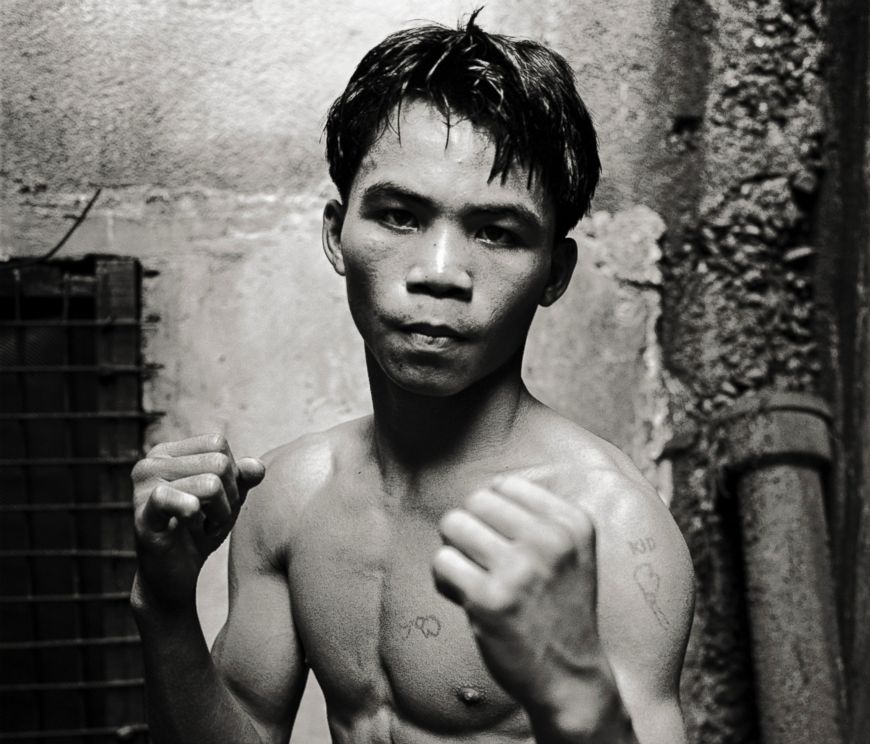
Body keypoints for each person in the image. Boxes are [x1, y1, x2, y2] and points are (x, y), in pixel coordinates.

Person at [130, 12, 694, 744]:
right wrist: (166, 610)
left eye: (497, 232)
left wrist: (569, 684)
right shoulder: (292, 499)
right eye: (399, 216)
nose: (437, 274)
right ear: (338, 234)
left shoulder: (610, 531)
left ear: (553, 272)